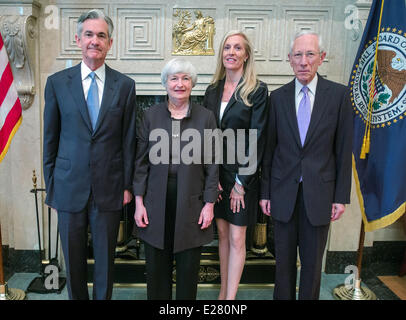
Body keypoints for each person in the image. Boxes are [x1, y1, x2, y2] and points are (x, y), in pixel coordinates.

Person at [43, 9, 136, 300]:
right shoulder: (57, 83)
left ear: (110, 43)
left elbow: (128, 140)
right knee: (73, 261)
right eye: (89, 34)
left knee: (106, 263)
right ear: (78, 39)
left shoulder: (125, 86)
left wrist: (127, 186)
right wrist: (52, 188)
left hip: (109, 188)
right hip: (68, 186)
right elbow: (50, 140)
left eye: (101, 35)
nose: (94, 40)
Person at [259, 30, 353, 300]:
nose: (303, 61)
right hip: (282, 194)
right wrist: (265, 193)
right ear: (289, 59)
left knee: (312, 268)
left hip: (320, 195)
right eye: (298, 55)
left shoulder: (339, 96)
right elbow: (269, 150)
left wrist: (340, 197)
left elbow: (343, 150)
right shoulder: (276, 99)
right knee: (283, 266)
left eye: (310, 54)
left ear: (321, 58)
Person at [133, 58, 218, 300]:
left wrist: (209, 204)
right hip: (155, 200)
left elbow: (213, 163)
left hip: (192, 200)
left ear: (192, 84)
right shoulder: (150, 116)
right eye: (174, 78)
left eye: (185, 78)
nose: (179, 84)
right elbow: (140, 163)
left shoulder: (206, 117)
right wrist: (139, 203)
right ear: (165, 83)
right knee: (156, 270)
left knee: (188, 270)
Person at [203, 30, 268, 300]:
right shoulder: (212, 90)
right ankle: (222, 293)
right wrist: (212, 176)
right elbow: (207, 137)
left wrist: (241, 184)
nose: (231, 52)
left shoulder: (257, 90)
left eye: (237, 48)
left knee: (238, 238)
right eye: (227, 47)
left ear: (246, 55)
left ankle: (230, 299)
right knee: (222, 233)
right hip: (218, 175)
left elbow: (257, 138)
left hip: (243, 178)